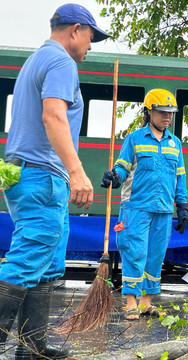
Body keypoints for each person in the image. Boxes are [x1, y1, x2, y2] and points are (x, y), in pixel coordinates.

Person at [0, 4, 110, 359]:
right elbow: (53, 116)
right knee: (28, 258)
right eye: (91, 37)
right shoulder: (61, 61)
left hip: (29, 174)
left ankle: (33, 348)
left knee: (46, 264)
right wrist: (77, 170)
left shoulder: (35, 60)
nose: (91, 47)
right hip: (43, 175)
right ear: (75, 30)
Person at [101, 88, 188, 321]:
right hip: (136, 207)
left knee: (155, 255)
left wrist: (182, 206)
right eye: (162, 112)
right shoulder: (135, 139)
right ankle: (130, 303)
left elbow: (180, 177)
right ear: (149, 112)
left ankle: (145, 304)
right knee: (134, 252)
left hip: (163, 209)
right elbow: (122, 167)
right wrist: (115, 177)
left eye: (171, 113)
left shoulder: (175, 144)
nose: (167, 117)